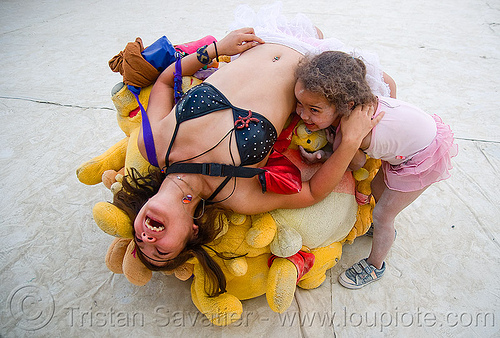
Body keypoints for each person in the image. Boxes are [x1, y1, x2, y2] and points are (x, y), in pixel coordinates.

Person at [114, 4, 390, 296]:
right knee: (388, 89)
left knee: (310, 26)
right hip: (315, 67)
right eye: (159, 252)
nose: (146, 238)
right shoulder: (235, 194)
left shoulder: (153, 147)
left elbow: (165, 82)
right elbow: (311, 192)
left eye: (139, 239)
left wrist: (214, 49)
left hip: (269, 36)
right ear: (191, 233)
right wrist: (347, 144)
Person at [294, 50, 458, 289]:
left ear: (344, 104)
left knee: (383, 214)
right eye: (300, 104)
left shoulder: (351, 134)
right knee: (376, 188)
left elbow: (355, 162)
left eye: (314, 110)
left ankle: (375, 265)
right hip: (416, 139)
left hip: (422, 158)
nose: (302, 114)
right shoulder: (359, 102)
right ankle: (384, 229)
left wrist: (324, 155)